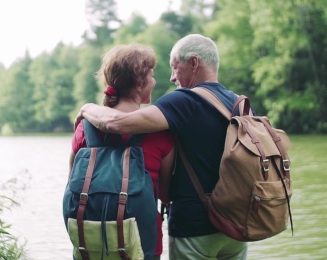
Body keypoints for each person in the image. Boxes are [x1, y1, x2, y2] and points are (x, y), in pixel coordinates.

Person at [75, 34, 248, 260]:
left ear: (194, 63)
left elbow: (116, 123)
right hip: (237, 225)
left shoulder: (183, 101)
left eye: (175, 68)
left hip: (194, 229)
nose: (172, 78)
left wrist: (87, 108)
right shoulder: (240, 104)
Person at [69, 43, 175, 260]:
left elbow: (72, 179)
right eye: (152, 76)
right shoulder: (161, 133)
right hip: (141, 244)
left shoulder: (85, 127)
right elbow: (165, 194)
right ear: (139, 83)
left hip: (90, 242)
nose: (154, 81)